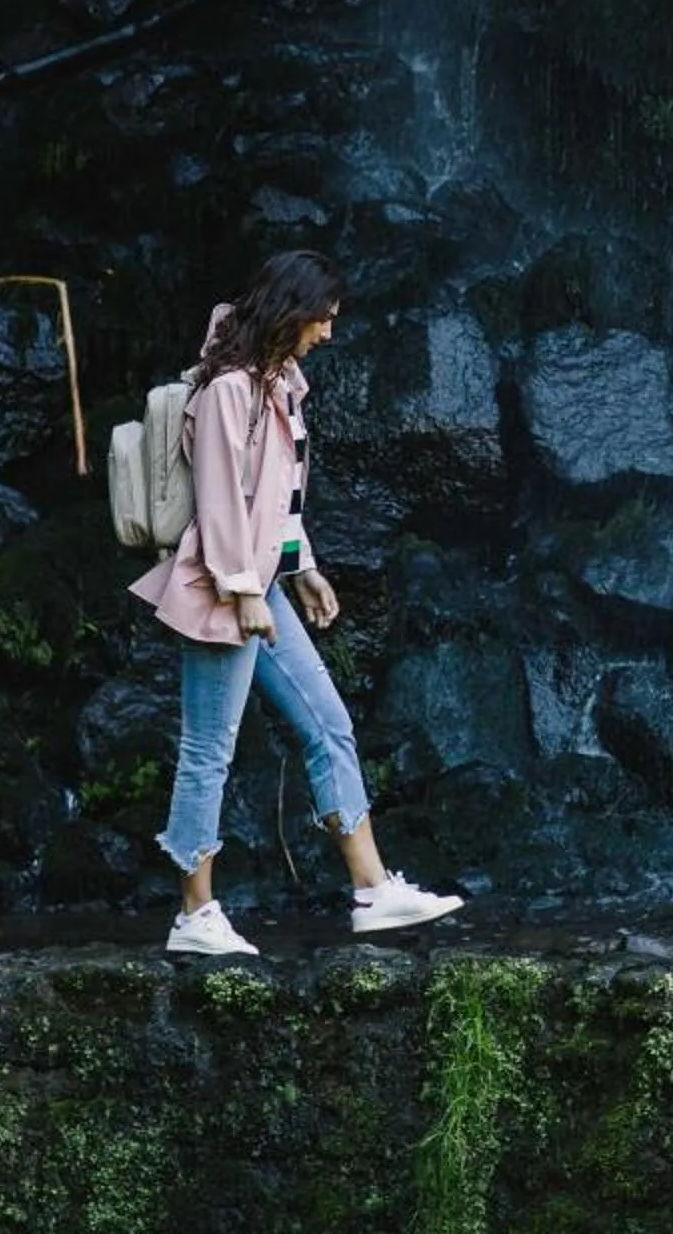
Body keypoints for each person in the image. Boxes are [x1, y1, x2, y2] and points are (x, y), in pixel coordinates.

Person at [129, 249, 463, 954]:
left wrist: (301, 568)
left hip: (262, 584)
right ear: (292, 312)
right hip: (221, 587)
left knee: (328, 723)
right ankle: (195, 916)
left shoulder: (281, 383)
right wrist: (243, 591)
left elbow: (279, 497)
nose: (330, 333)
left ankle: (374, 891)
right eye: (324, 319)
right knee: (207, 750)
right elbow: (222, 497)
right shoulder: (228, 390)